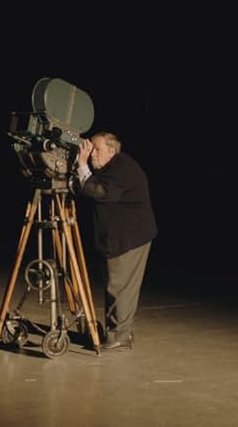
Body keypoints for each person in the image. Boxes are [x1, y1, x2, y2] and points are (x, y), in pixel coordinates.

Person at [76, 132, 157, 351]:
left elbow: (100, 192)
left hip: (130, 237)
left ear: (112, 151)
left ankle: (119, 336)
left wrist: (82, 165)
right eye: (90, 149)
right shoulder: (111, 166)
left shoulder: (123, 168)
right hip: (120, 235)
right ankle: (118, 333)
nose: (92, 154)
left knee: (120, 287)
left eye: (96, 150)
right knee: (116, 285)